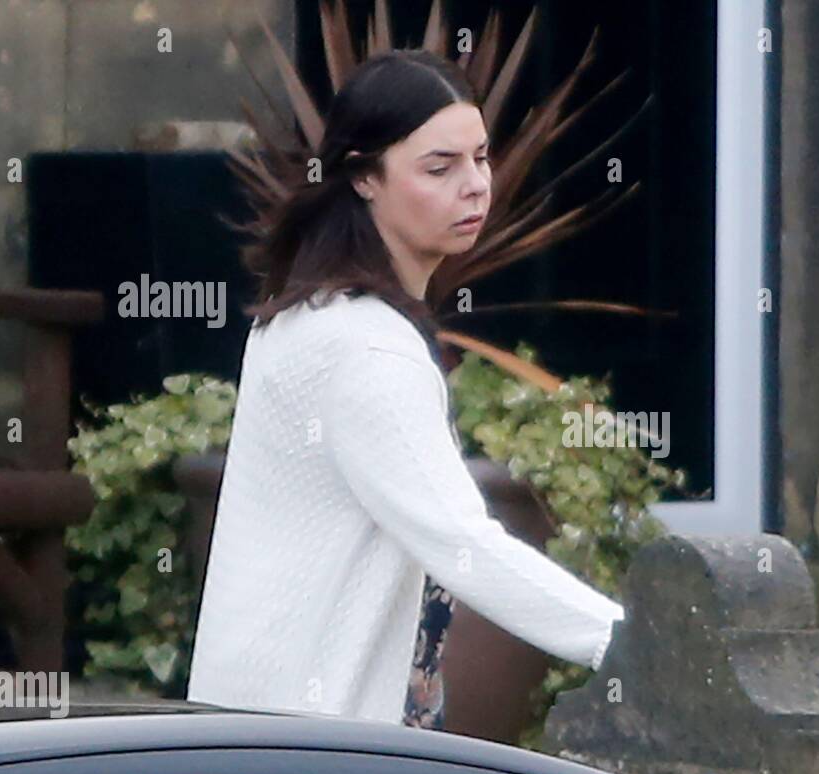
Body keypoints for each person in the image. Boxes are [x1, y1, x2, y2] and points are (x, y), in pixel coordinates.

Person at [185, 50, 624, 727]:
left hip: (270, 742)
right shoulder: (366, 345)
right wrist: (628, 641)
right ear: (364, 178)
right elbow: (464, 543)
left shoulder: (309, 312)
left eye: (480, 157)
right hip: (312, 768)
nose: (476, 185)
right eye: (439, 167)